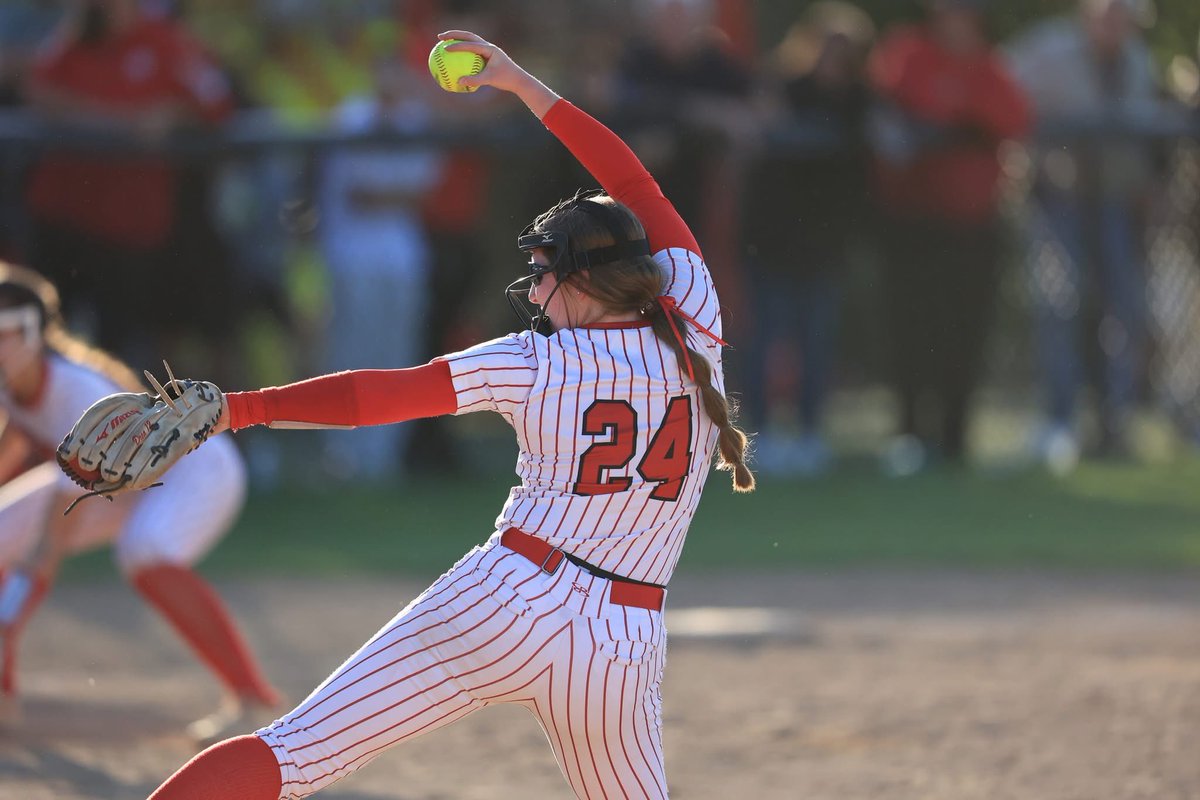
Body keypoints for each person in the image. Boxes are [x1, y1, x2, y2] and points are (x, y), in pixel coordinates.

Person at [144, 30, 754, 800]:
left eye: (544, 277)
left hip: (506, 598)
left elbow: (375, 398)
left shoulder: (538, 362)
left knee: (295, 754)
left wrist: (240, 407)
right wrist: (527, 85)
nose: (534, 295)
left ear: (585, 280)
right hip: (622, 641)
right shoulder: (693, 312)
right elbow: (635, 182)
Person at [0, 262, 279, 741]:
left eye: (6, 333)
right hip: (125, 479)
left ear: (35, 334)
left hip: (196, 467)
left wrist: (9, 618)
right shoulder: (13, 385)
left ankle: (253, 698)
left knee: (144, 550)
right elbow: (15, 445)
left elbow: (50, 541)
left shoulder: (75, 395)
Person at [1005, 0, 1172, 470]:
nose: (1118, 24)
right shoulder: (1048, 50)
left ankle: (1114, 422)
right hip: (1059, 201)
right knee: (1061, 304)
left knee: (1126, 311)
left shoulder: (1138, 59)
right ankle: (1059, 421)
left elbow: (1150, 133)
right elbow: (1002, 93)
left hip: (1118, 206)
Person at [867, 0, 1029, 474]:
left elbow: (1012, 118)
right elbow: (887, 108)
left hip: (973, 227)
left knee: (965, 331)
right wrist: (946, 126)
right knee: (911, 329)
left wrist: (949, 123)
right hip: (913, 223)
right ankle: (911, 434)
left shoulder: (989, 66)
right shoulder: (909, 53)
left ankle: (956, 437)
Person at [23, 0, 233, 366]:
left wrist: (175, 114)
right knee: (43, 343)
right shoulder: (78, 35)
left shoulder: (166, 42)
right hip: (63, 219)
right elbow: (40, 92)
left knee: (117, 356)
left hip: (128, 233)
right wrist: (121, 125)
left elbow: (217, 104)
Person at [742, 1, 874, 476]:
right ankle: (763, 437)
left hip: (826, 246)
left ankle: (811, 433)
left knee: (816, 341)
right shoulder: (781, 89)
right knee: (767, 339)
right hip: (773, 241)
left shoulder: (860, 102)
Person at [316, 54, 443, 481]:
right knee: (353, 350)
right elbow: (362, 194)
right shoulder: (352, 118)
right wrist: (397, 194)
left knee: (399, 355)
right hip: (352, 255)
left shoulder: (415, 121)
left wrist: (395, 194)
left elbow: (423, 189)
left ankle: (383, 456)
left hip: (404, 256)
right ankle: (343, 451)